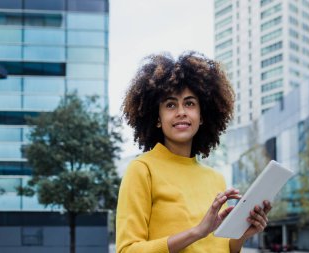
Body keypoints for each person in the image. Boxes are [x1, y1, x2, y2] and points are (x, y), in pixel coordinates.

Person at [116, 51, 271, 253]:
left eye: (189, 103)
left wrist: (241, 235)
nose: (181, 112)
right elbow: (127, 250)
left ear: (202, 115)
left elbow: (221, 248)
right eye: (170, 105)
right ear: (157, 118)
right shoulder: (142, 169)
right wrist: (197, 232)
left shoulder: (216, 179)